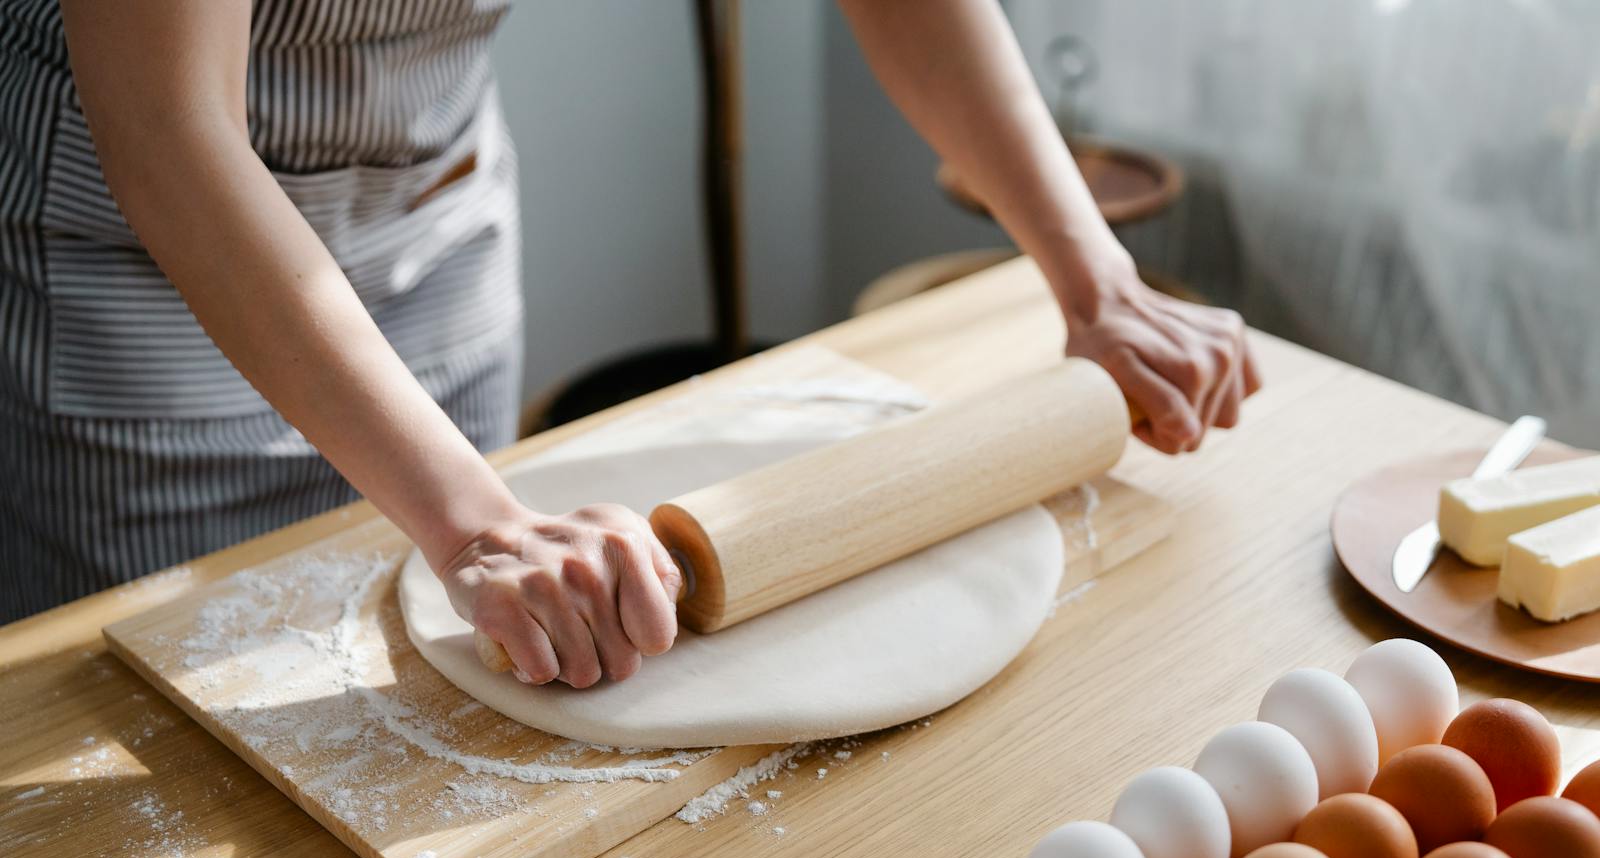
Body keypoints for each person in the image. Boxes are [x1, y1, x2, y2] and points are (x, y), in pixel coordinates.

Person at [1, 0, 1257, 682]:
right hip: (146, 298)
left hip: (436, 228)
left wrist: (1097, 278)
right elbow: (168, 128)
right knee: (185, 718)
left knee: (442, 681)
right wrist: (477, 523)